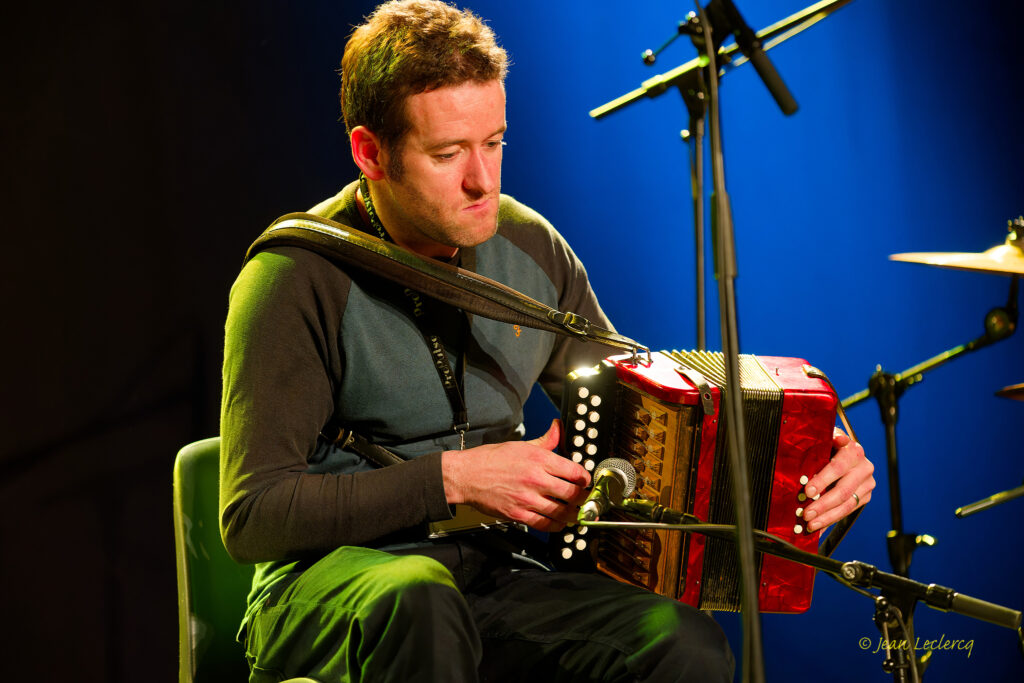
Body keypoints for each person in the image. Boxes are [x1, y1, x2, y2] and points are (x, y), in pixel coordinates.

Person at [219, 2, 876, 681]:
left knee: (682, 640)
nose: (482, 180)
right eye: (447, 154)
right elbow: (253, 515)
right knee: (418, 597)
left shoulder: (528, 244)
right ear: (370, 152)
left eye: (494, 142)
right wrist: (454, 479)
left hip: (493, 574)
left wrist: (803, 459)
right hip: (331, 586)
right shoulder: (293, 278)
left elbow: (654, 417)